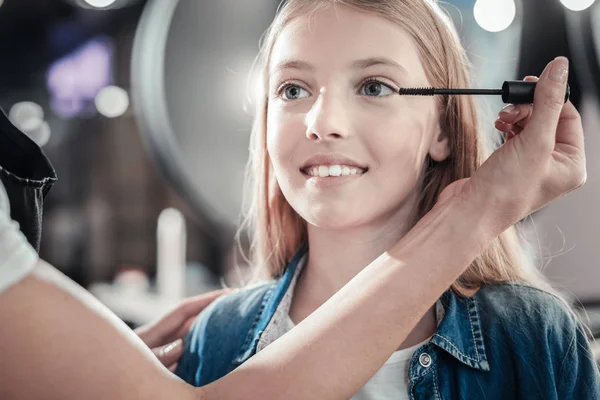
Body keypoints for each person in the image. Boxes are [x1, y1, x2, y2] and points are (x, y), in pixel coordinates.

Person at [0, 1, 596, 399]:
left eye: (374, 86)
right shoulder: (219, 339)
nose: (322, 120)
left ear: (443, 130)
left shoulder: (533, 336)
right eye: (292, 89)